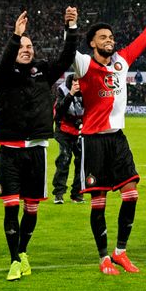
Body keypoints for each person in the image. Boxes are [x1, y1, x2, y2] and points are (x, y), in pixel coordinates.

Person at [73, 0, 146, 274]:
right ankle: (103, 257)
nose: (109, 41)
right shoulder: (84, 63)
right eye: (103, 37)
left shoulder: (122, 61)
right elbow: (68, 51)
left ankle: (120, 252)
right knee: (99, 201)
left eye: (111, 38)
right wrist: (71, 27)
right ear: (92, 43)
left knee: (131, 195)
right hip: (93, 140)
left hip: (117, 137)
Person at [0, 7, 78, 281]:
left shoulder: (43, 72)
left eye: (30, 46)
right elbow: (1, 68)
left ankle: (23, 251)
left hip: (37, 150)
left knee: (31, 207)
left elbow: (66, 58)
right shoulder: (5, 75)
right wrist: (15, 36)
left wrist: (72, 27)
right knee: (11, 205)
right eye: (22, 46)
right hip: (10, 150)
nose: (27, 49)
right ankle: (14, 259)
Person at [51, 74, 84, 204]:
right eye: (75, 81)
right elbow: (59, 111)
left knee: (81, 161)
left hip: (81, 129)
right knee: (64, 159)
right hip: (64, 129)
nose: (77, 84)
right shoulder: (62, 90)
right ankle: (59, 193)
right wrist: (71, 94)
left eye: (79, 81)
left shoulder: (87, 90)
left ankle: (77, 193)